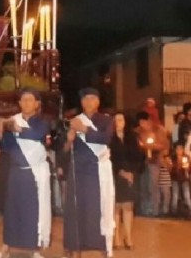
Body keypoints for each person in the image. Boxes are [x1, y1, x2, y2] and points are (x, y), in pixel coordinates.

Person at [0, 88, 51, 258]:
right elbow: (6, 146)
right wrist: (1, 130)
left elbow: (36, 134)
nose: (26, 103)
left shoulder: (42, 122)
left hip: (34, 173)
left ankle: (34, 248)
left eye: (30, 100)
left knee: (34, 210)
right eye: (23, 100)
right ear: (19, 103)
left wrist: (16, 129)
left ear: (37, 104)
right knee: (12, 209)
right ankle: (6, 246)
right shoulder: (13, 121)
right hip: (16, 172)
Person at [63, 88, 114, 258]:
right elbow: (64, 150)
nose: (89, 102)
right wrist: (69, 140)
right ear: (81, 102)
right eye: (85, 99)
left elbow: (105, 139)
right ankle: (74, 246)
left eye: (92, 98)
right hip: (78, 170)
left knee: (98, 208)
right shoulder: (74, 120)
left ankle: (101, 246)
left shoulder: (106, 120)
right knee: (76, 208)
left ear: (98, 102)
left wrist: (85, 130)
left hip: (97, 170)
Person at [109, 113, 142, 250]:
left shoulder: (132, 138)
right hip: (115, 175)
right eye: (116, 120)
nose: (119, 122)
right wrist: (120, 171)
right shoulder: (109, 139)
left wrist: (132, 172)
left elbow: (139, 157)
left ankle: (128, 237)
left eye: (121, 119)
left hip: (130, 175)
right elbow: (109, 158)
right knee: (116, 207)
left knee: (128, 207)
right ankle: (116, 237)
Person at [136, 111, 168, 217]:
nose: (142, 125)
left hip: (155, 161)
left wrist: (151, 146)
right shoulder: (137, 132)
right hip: (142, 161)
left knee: (153, 186)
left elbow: (164, 145)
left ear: (148, 120)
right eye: (140, 122)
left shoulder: (159, 130)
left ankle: (155, 210)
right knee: (143, 185)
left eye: (144, 122)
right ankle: (145, 209)